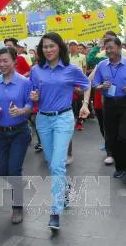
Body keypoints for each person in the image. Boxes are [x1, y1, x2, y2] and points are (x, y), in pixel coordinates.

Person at [30, 32, 90, 230]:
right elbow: (32, 94)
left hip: (63, 118)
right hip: (43, 120)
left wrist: (84, 103)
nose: (48, 50)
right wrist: (34, 97)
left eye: (51, 46)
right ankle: (65, 188)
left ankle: (55, 211)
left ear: (60, 48)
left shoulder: (71, 69)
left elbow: (86, 84)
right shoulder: (36, 70)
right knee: (50, 162)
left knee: (57, 165)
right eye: (45, 47)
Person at [91, 37, 126, 184]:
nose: (108, 51)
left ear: (119, 47)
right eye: (106, 48)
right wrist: (101, 86)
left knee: (124, 136)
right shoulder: (102, 65)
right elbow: (94, 83)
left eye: (111, 47)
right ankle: (120, 167)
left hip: (125, 103)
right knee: (112, 137)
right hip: (109, 103)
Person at [0, 47, 33, 224]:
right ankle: (19, 186)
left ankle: (17, 207)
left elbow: (30, 105)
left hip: (20, 132)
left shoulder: (24, 83)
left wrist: (21, 110)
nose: (2, 64)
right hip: (0, 133)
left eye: (6, 60)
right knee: (2, 170)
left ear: (14, 61)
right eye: (0, 60)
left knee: (14, 170)